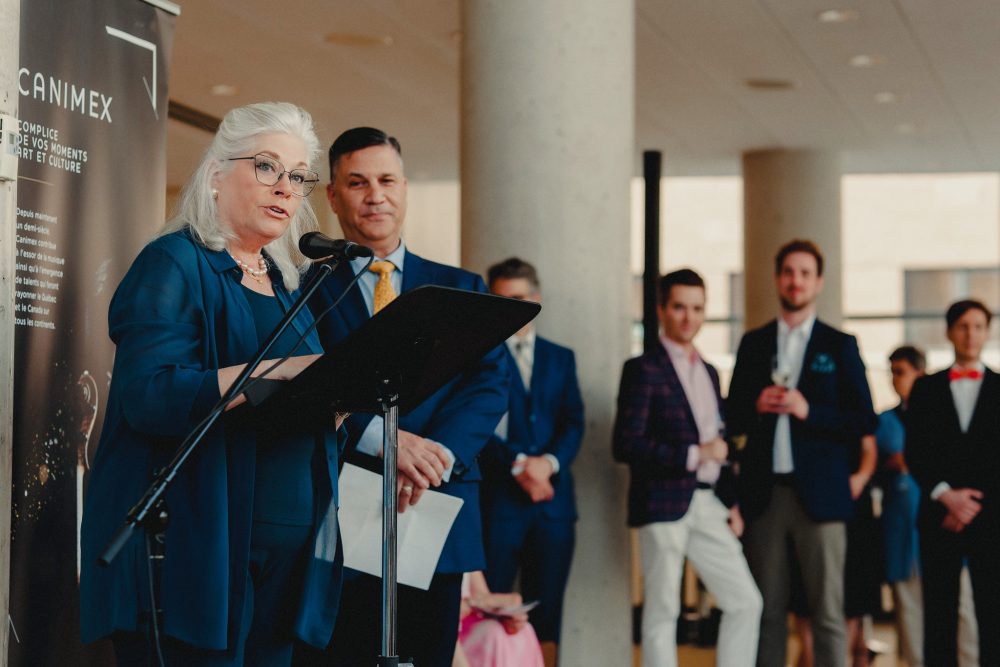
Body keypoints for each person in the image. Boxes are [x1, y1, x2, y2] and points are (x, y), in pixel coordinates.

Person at [79, 102, 345, 666]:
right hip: (199, 553)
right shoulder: (173, 262)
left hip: (284, 562)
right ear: (218, 173)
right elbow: (149, 395)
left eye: (298, 177)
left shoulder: (287, 282)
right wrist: (281, 374)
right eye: (268, 167)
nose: (285, 188)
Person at [299, 127, 509, 667]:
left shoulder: (461, 287)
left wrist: (429, 459)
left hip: (437, 502)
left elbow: (488, 386)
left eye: (387, 179)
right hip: (341, 511)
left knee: (428, 654)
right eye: (358, 182)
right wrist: (386, 445)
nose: (376, 195)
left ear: (405, 187)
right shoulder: (305, 289)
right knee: (342, 655)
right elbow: (305, 388)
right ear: (333, 195)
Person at [726, 239, 877, 667]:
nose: (796, 281)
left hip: (824, 496)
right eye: (789, 272)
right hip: (764, 494)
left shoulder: (840, 344)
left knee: (828, 611)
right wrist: (755, 405)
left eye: (805, 273)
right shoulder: (753, 344)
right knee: (766, 610)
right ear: (778, 278)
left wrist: (810, 411)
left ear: (819, 282)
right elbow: (731, 415)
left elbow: (864, 419)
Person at [612, 268, 762, 667]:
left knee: (745, 601)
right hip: (662, 503)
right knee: (662, 613)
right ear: (662, 309)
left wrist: (731, 502)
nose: (688, 317)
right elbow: (626, 444)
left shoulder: (710, 372)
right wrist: (694, 454)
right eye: (679, 307)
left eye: (697, 308)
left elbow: (721, 442)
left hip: (709, 503)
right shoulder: (643, 369)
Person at [478, 257, 584, 667]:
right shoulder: (481, 357)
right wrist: (522, 466)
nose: (513, 307)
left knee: (548, 609)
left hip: (553, 506)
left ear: (536, 299)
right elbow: (480, 428)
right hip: (500, 504)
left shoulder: (562, 358)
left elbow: (573, 422)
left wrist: (549, 464)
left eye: (520, 298)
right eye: (503, 299)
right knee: (495, 607)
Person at [906, 299, 1000, 667]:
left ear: (988, 332)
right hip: (938, 515)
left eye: (978, 326)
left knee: (993, 615)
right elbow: (916, 451)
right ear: (948, 332)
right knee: (938, 615)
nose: (970, 334)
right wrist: (946, 496)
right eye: (963, 326)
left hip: (990, 519)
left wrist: (972, 504)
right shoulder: (925, 388)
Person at [875, 345, 926, 667]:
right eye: (891, 372)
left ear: (920, 374)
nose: (895, 379)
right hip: (899, 524)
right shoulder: (884, 422)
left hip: (934, 526)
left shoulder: (939, 417)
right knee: (907, 608)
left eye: (901, 372)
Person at [453, 571, 545, 667]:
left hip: (472, 613)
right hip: (455, 621)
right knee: (493, 632)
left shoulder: (468, 556)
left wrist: (509, 605)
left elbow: (481, 594)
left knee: (525, 629)